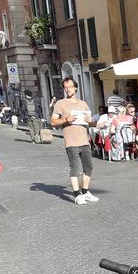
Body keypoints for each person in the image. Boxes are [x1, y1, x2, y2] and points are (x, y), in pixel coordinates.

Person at [49, 76, 97, 204]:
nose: (68, 89)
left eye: (70, 87)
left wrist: (92, 122)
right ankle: (77, 194)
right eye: (66, 87)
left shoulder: (83, 104)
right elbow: (53, 121)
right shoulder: (60, 103)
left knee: (88, 168)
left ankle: (85, 192)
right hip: (71, 142)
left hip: (84, 140)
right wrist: (66, 120)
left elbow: (90, 122)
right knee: (75, 168)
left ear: (75, 88)